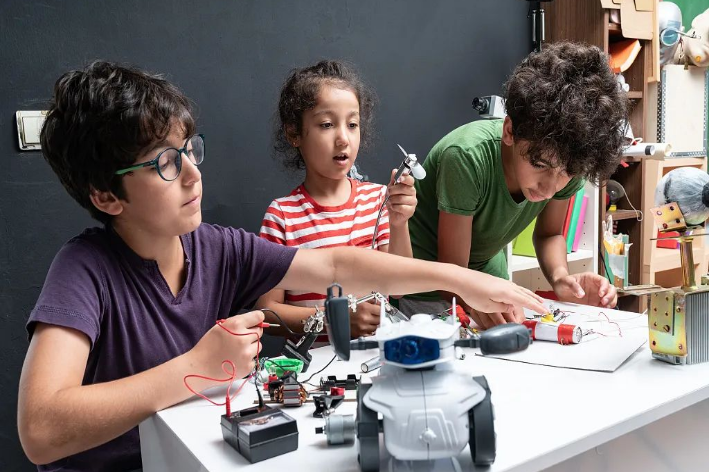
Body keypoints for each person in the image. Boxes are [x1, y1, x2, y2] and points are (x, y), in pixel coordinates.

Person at [17, 61, 546, 472]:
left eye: (189, 150)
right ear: (107, 195)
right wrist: (195, 368)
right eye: (165, 163)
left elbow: (338, 263)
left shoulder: (217, 248)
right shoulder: (84, 269)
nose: (192, 174)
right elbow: (40, 428)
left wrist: (465, 281)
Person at [402, 41, 629, 329]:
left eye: (566, 174)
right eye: (540, 165)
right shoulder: (466, 157)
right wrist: (486, 301)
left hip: (486, 274)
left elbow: (548, 235)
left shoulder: (571, 160)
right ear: (510, 131)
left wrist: (561, 279)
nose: (549, 189)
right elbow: (453, 278)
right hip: (427, 288)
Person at [257, 60, 417, 338]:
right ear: (294, 133)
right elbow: (268, 314)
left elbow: (400, 287)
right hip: (317, 375)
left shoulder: (377, 200)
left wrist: (399, 222)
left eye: (352, 124)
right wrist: (333, 319)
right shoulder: (282, 216)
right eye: (327, 124)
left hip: (378, 364)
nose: (343, 138)